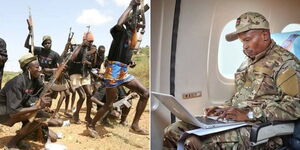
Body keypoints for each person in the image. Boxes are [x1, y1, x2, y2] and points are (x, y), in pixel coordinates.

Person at [163, 12, 300, 150]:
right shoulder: (248, 62)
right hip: (237, 122)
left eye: (247, 40)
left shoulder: (286, 64)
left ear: (265, 35)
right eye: (242, 42)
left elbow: (295, 106)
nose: (244, 46)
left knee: (194, 142)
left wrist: (249, 114)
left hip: (263, 129)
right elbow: (241, 97)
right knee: (172, 131)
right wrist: (223, 109)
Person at [87, 0, 149, 137]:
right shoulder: (120, 32)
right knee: (109, 104)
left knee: (145, 93)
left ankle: (135, 125)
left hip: (123, 71)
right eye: (135, 20)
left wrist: (130, 62)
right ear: (128, 22)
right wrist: (131, 5)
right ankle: (91, 125)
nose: (138, 22)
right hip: (112, 71)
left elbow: (124, 54)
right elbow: (119, 23)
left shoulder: (132, 37)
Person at [0, 53, 57, 149]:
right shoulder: (16, 83)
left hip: (19, 109)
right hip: (4, 113)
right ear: (28, 68)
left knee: (53, 135)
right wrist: (38, 107)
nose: (39, 69)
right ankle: (11, 143)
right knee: (39, 115)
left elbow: (44, 94)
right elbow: (13, 112)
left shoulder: (36, 80)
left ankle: (26, 133)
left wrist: (56, 77)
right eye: (37, 67)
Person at [69, 32, 94, 124]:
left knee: (90, 95)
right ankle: (75, 115)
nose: (90, 43)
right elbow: (72, 58)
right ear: (84, 40)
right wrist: (80, 46)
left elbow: (93, 63)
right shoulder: (77, 47)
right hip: (75, 73)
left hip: (85, 73)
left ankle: (88, 116)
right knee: (82, 96)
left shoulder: (91, 49)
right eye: (89, 41)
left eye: (92, 41)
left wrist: (88, 63)